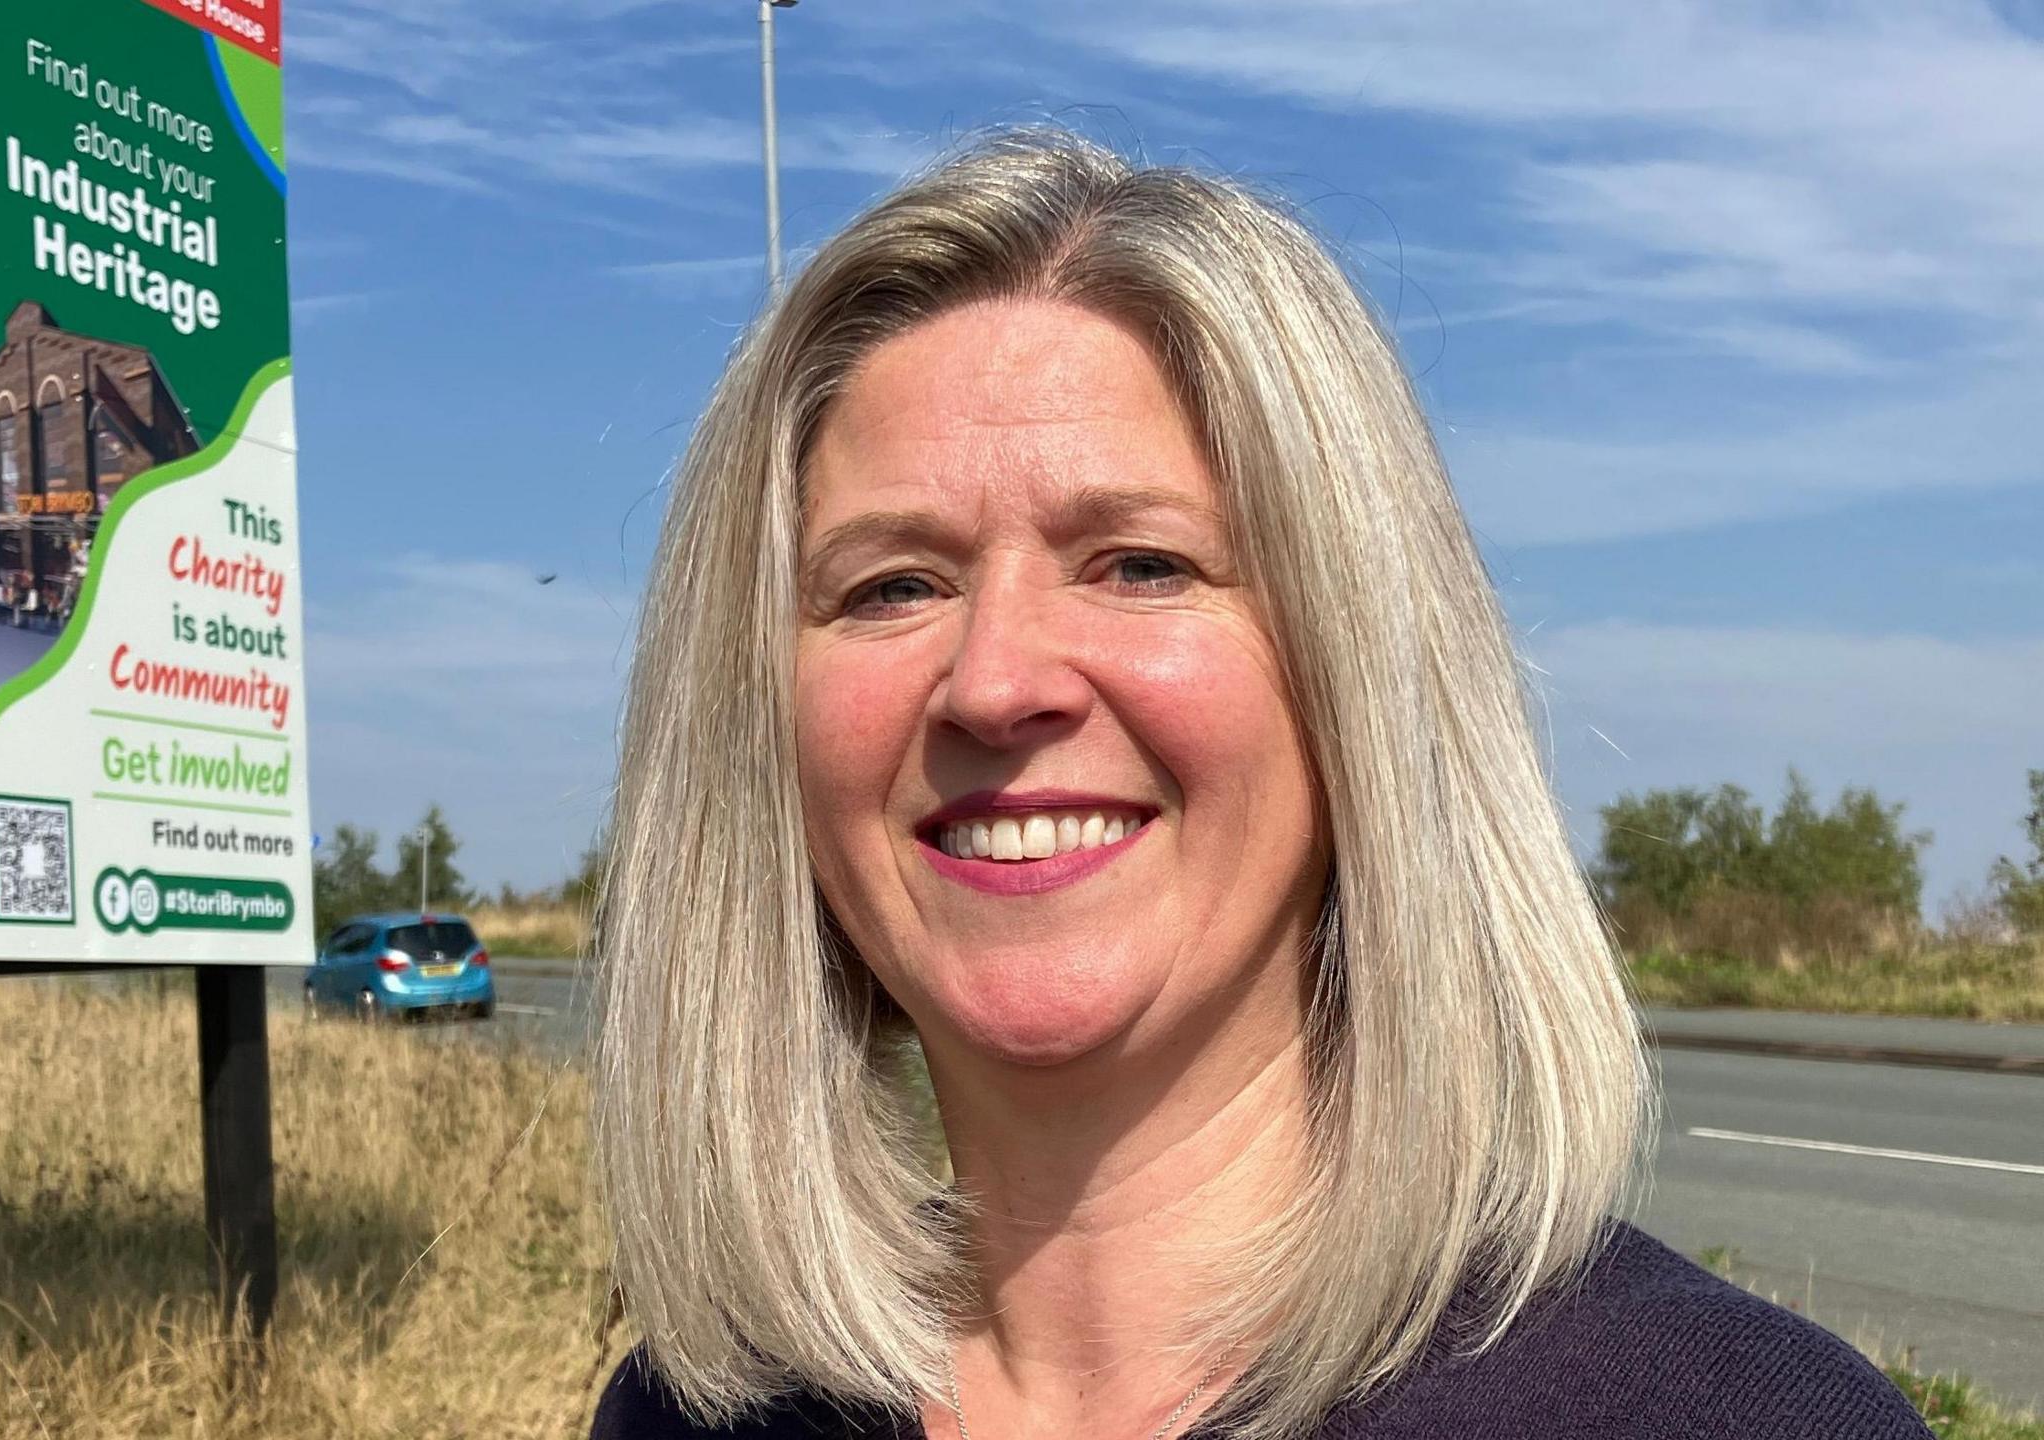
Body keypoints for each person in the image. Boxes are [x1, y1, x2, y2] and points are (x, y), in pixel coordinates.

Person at [586, 132, 1931, 1440]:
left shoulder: (1725, 1418)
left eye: (1140, 563)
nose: (995, 681)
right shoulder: (697, 1418)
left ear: (1358, 677)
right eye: (892, 585)